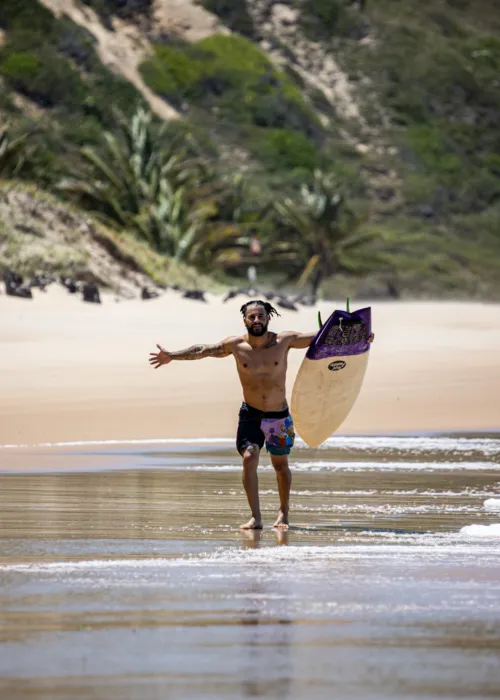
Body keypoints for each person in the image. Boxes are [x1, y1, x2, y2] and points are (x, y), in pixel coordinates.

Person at [149, 300, 374, 530]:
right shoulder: (235, 345)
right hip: (251, 414)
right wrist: (172, 355)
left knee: (280, 466)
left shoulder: (284, 340)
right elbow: (203, 350)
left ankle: (283, 514)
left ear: (268, 318)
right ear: (244, 320)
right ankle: (256, 517)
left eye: (260, 316)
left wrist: (359, 335)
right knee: (249, 457)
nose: (256, 320)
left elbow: (322, 336)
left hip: (279, 415)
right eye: (252, 317)